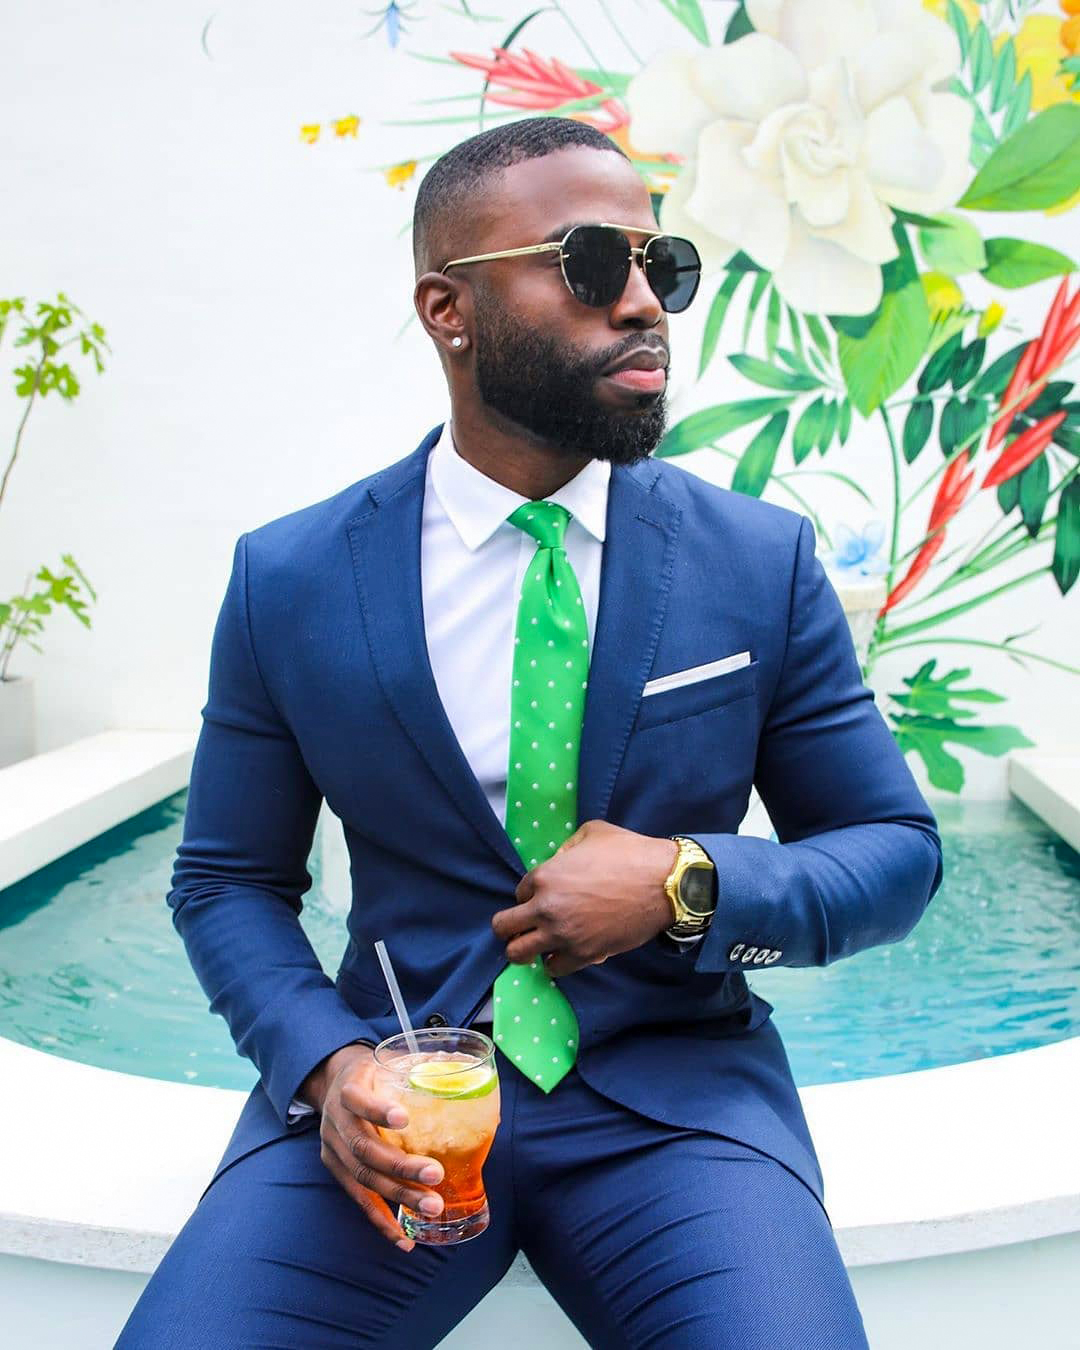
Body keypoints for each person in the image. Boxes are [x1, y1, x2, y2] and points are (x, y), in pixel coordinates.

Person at [116, 116, 942, 1348]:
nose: (644, 306)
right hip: (391, 1121)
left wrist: (685, 881)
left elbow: (892, 850)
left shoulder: (756, 563)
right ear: (449, 309)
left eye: (661, 270)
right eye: (591, 263)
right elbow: (227, 880)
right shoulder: (287, 578)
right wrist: (327, 1069)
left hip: (677, 1112)